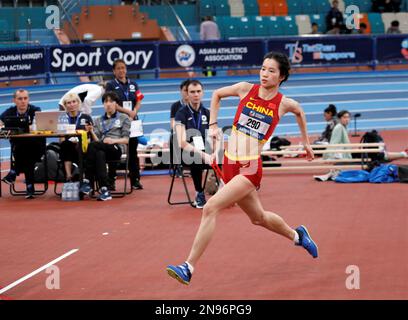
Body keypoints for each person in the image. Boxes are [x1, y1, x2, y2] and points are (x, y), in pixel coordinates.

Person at [166, 52, 318, 285]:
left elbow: (300, 111)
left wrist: (306, 143)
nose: (265, 74)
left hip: (250, 167)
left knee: (210, 207)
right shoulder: (246, 88)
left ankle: (188, 267)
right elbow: (216, 95)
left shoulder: (284, 103)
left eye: (271, 71)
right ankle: (298, 235)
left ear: (282, 76)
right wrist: (214, 125)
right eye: (263, 68)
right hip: (229, 163)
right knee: (258, 218)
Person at [79, 91, 131, 201]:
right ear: (103, 104)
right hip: (101, 147)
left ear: (116, 104)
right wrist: (92, 132)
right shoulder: (98, 120)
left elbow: (126, 140)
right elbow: (97, 141)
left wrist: (113, 140)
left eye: (111, 101)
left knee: (93, 146)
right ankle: (104, 189)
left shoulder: (124, 118)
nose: (108, 104)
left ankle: (88, 180)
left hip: (116, 149)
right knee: (99, 153)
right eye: (106, 102)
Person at [106, 59, 144, 190]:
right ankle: (111, 180)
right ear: (114, 71)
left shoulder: (133, 84)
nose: (121, 70)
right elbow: (112, 103)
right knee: (114, 150)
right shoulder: (110, 85)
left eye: (123, 68)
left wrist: (134, 111)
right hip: (118, 121)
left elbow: (139, 99)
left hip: (133, 121)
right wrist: (128, 111)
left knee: (133, 151)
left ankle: (135, 179)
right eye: (118, 68)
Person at [0, 89, 45, 199]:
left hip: (37, 147)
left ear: (28, 99)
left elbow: (39, 126)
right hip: (19, 148)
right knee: (24, 151)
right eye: (20, 99)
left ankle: (14, 171)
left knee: (25, 148)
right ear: (14, 100)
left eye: (25, 98)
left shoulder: (35, 110)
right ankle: (30, 187)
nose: (23, 101)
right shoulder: (9, 112)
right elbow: (0, 123)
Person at [174, 80, 210, 208]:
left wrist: (216, 152)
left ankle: (225, 190)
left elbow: (215, 137)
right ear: (187, 94)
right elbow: (182, 142)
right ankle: (199, 193)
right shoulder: (181, 113)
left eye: (198, 91)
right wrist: (203, 154)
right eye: (192, 92)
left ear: (203, 93)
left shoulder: (207, 113)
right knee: (196, 158)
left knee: (226, 156)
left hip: (205, 150)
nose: (196, 95)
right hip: (186, 153)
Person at [59, 93, 94, 181]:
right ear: (65, 105)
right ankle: (69, 176)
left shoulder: (86, 117)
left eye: (74, 102)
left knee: (79, 147)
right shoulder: (62, 118)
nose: (72, 105)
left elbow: (90, 137)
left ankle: (82, 175)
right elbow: (61, 139)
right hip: (68, 147)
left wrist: (80, 142)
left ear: (78, 103)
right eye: (68, 103)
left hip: (84, 147)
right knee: (66, 145)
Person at [170, 79, 190, 176]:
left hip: (193, 133)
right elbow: (172, 123)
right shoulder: (175, 106)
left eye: (188, 90)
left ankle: (199, 165)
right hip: (180, 132)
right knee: (175, 137)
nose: (186, 93)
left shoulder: (195, 105)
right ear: (181, 91)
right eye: (184, 90)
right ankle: (178, 166)